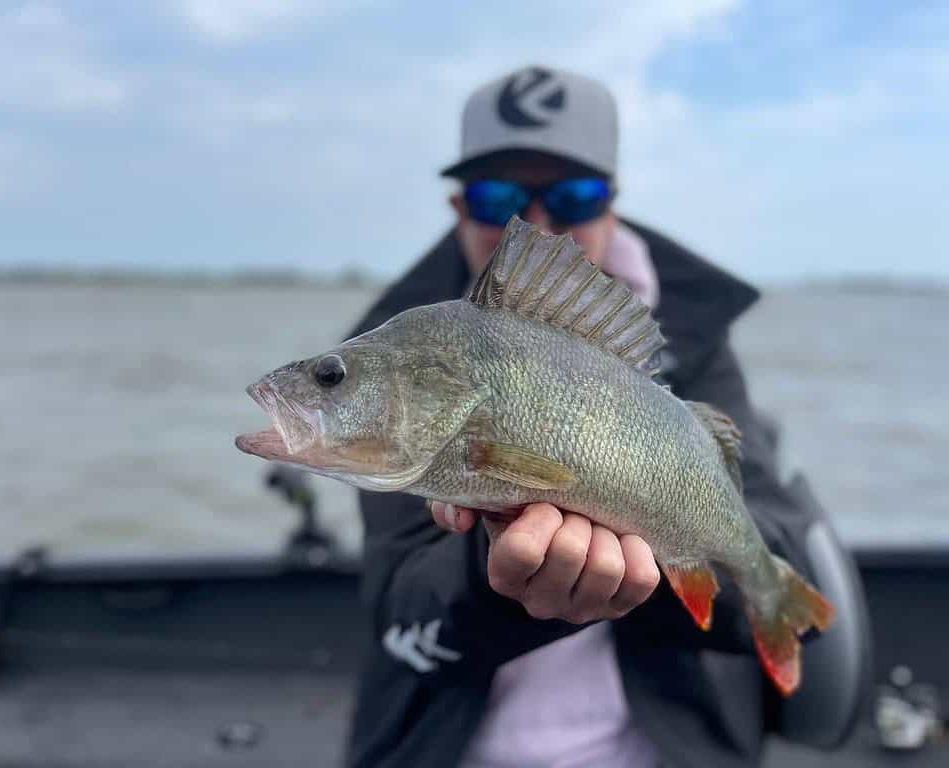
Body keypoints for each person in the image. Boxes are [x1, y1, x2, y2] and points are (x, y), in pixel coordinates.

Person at [344, 65, 830, 768]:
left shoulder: (696, 339)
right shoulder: (399, 353)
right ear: (459, 209)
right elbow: (399, 611)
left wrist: (656, 578)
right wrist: (492, 575)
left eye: (573, 195)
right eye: (497, 195)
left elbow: (772, 531)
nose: (532, 223)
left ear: (613, 203)